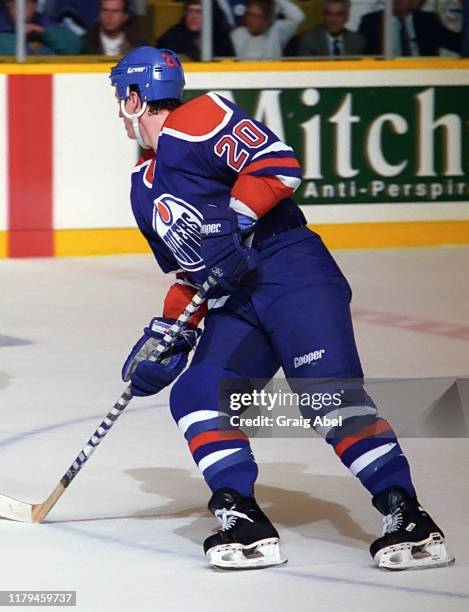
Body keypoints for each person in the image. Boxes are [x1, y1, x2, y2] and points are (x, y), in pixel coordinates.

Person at [109, 45, 454, 571]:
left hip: (289, 268)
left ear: (136, 97)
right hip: (236, 297)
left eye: (120, 96)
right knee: (198, 391)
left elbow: (277, 164)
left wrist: (233, 220)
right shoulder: (142, 186)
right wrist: (171, 328)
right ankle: (241, 513)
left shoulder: (197, 119)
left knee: (327, 398)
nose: (117, 109)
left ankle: (407, 514)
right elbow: (191, 269)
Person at [358, 0, 461, 56]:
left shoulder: (428, 20)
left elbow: (458, 44)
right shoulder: (371, 22)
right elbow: (361, 56)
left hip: (424, 76)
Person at [157, 0, 234, 61]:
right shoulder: (170, 38)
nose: (193, 16)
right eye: (190, 11)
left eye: (199, 11)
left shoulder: (221, 38)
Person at [0, 0, 82, 55]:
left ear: (35, 6)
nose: (21, 7)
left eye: (27, 2)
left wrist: (43, 31)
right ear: (8, 6)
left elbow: (73, 48)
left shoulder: (46, 22)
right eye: (15, 2)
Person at [230, 0, 304, 59]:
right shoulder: (238, 34)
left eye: (256, 16)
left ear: (266, 19)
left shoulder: (276, 31)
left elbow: (298, 17)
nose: (251, 19)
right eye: (249, 14)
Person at [297, 0, 365, 56]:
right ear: (322, 16)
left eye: (339, 14)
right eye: (328, 14)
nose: (333, 20)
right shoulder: (309, 39)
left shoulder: (357, 41)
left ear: (347, 16)